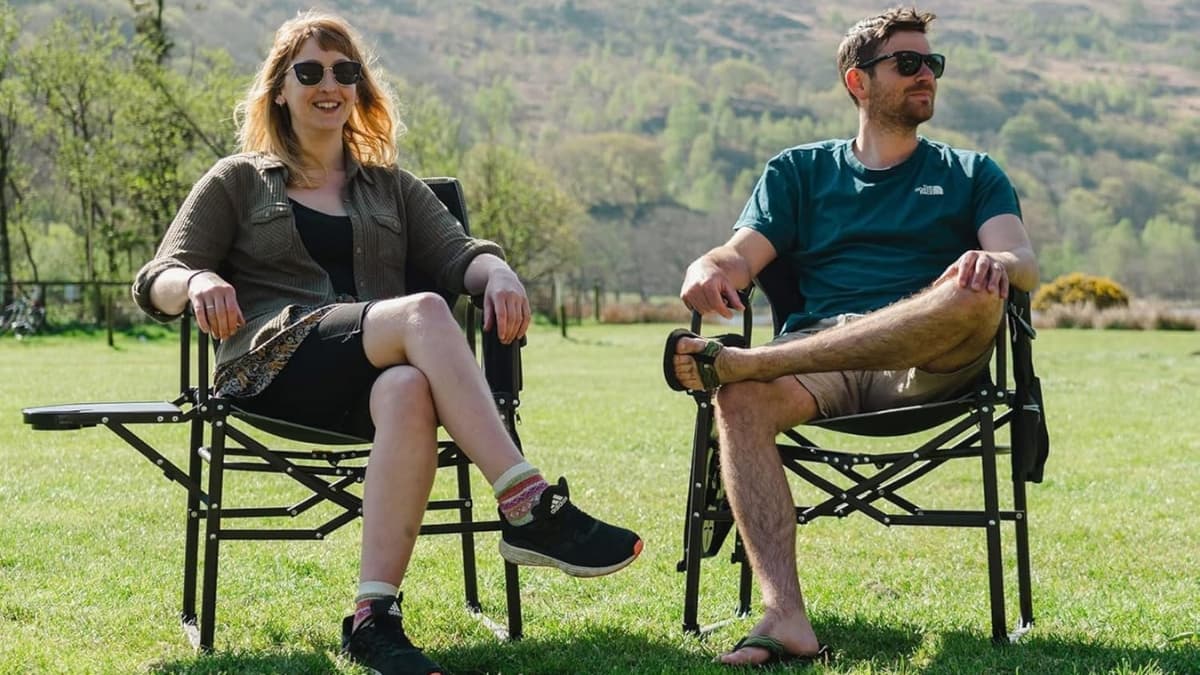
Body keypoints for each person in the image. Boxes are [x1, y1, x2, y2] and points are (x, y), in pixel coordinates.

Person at [132, 11, 641, 675]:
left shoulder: (391, 188)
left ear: (359, 88)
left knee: (406, 387)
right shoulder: (236, 179)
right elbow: (156, 278)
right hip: (270, 367)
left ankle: (373, 617)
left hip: (364, 385)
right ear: (280, 89)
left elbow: (463, 255)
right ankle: (526, 502)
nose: (329, 84)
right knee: (426, 312)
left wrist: (502, 273)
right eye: (308, 71)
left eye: (345, 72)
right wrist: (196, 280)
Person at [664, 7, 1038, 667]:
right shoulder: (798, 173)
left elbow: (1022, 262)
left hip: (929, 365)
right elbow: (737, 257)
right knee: (742, 399)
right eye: (909, 63)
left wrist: (994, 265)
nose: (927, 75)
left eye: (934, 64)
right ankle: (785, 616)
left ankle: (752, 362)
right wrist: (704, 267)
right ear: (857, 82)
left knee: (977, 291)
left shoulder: (973, 172)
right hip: (825, 369)